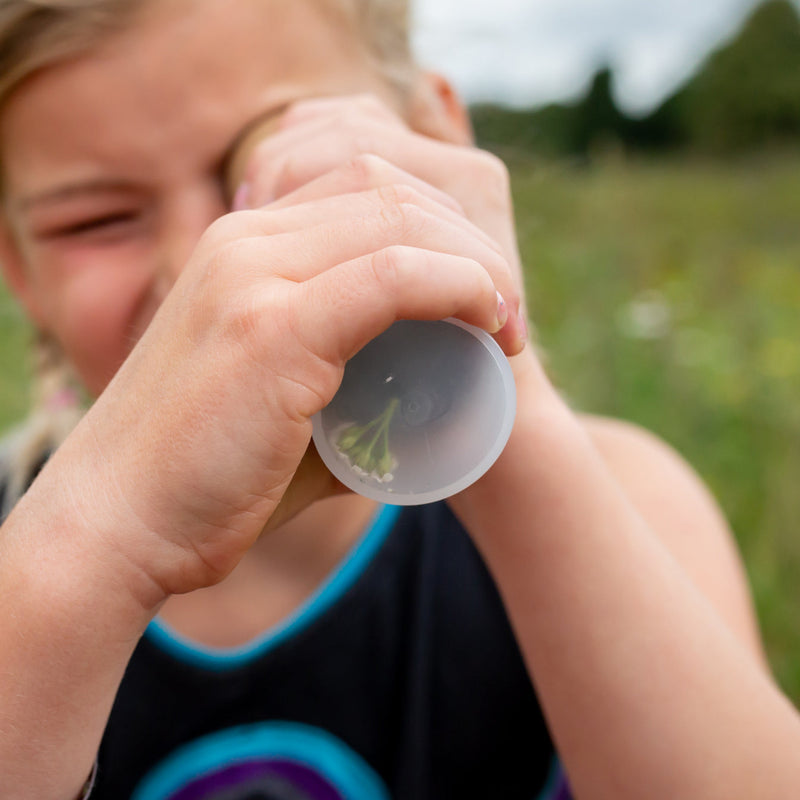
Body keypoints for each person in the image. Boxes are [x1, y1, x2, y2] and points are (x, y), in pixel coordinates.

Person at [0, 1, 799, 798]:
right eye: (97, 221)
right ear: (20, 269)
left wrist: (494, 392)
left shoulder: (633, 504)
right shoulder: (20, 543)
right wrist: (91, 548)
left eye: (261, 171)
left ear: (436, 142)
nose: (203, 266)